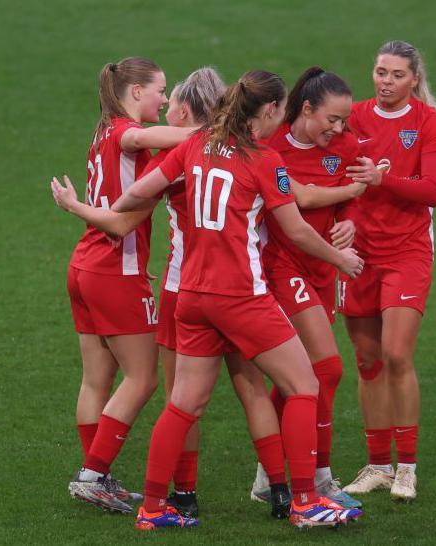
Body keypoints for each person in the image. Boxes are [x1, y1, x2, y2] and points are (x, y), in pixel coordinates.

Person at [109, 70, 364, 530]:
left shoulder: (195, 143)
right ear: (267, 111)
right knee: (305, 385)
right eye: (279, 113)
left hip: (191, 296)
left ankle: (152, 508)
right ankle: (305, 501)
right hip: (241, 296)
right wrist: (340, 259)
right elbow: (298, 230)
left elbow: (136, 193)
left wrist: (109, 212)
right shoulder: (265, 160)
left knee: (184, 403)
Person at [52, 67, 293, 519]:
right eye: (160, 94)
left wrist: (78, 207)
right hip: (240, 289)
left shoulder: (157, 149)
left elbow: (132, 197)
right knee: (254, 391)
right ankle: (283, 489)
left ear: (186, 108)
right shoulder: (235, 154)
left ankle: (175, 492)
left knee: (174, 400)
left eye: (171, 97)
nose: (165, 105)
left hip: (177, 289)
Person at [63, 57, 194, 514]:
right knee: (143, 378)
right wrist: (217, 135)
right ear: (136, 92)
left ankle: (94, 476)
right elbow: (142, 138)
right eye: (160, 90)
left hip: (85, 266)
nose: (164, 98)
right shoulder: (123, 130)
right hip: (114, 272)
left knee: (97, 380)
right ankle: (93, 473)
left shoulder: (101, 132)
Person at [338, 40, 436, 502]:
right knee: (367, 362)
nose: (386, 82)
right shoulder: (353, 116)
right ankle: (377, 465)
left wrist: (382, 179)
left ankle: (407, 467)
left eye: (396, 75)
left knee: (397, 354)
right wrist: (342, 219)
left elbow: (433, 190)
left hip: (406, 253)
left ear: (415, 79)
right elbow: (334, 176)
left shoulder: (429, 123)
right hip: (358, 254)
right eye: (380, 72)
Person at [248, 66, 366, 509]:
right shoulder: (270, 143)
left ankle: (272, 471)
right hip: (282, 265)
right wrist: (352, 187)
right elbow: (302, 198)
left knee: (298, 377)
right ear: (306, 108)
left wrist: (351, 220)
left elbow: (354, 201)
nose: (338, 130)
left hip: (322, 272)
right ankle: (317, 477)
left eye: (344, 121)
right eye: (331, 119)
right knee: (327, 369)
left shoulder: (347, 146)